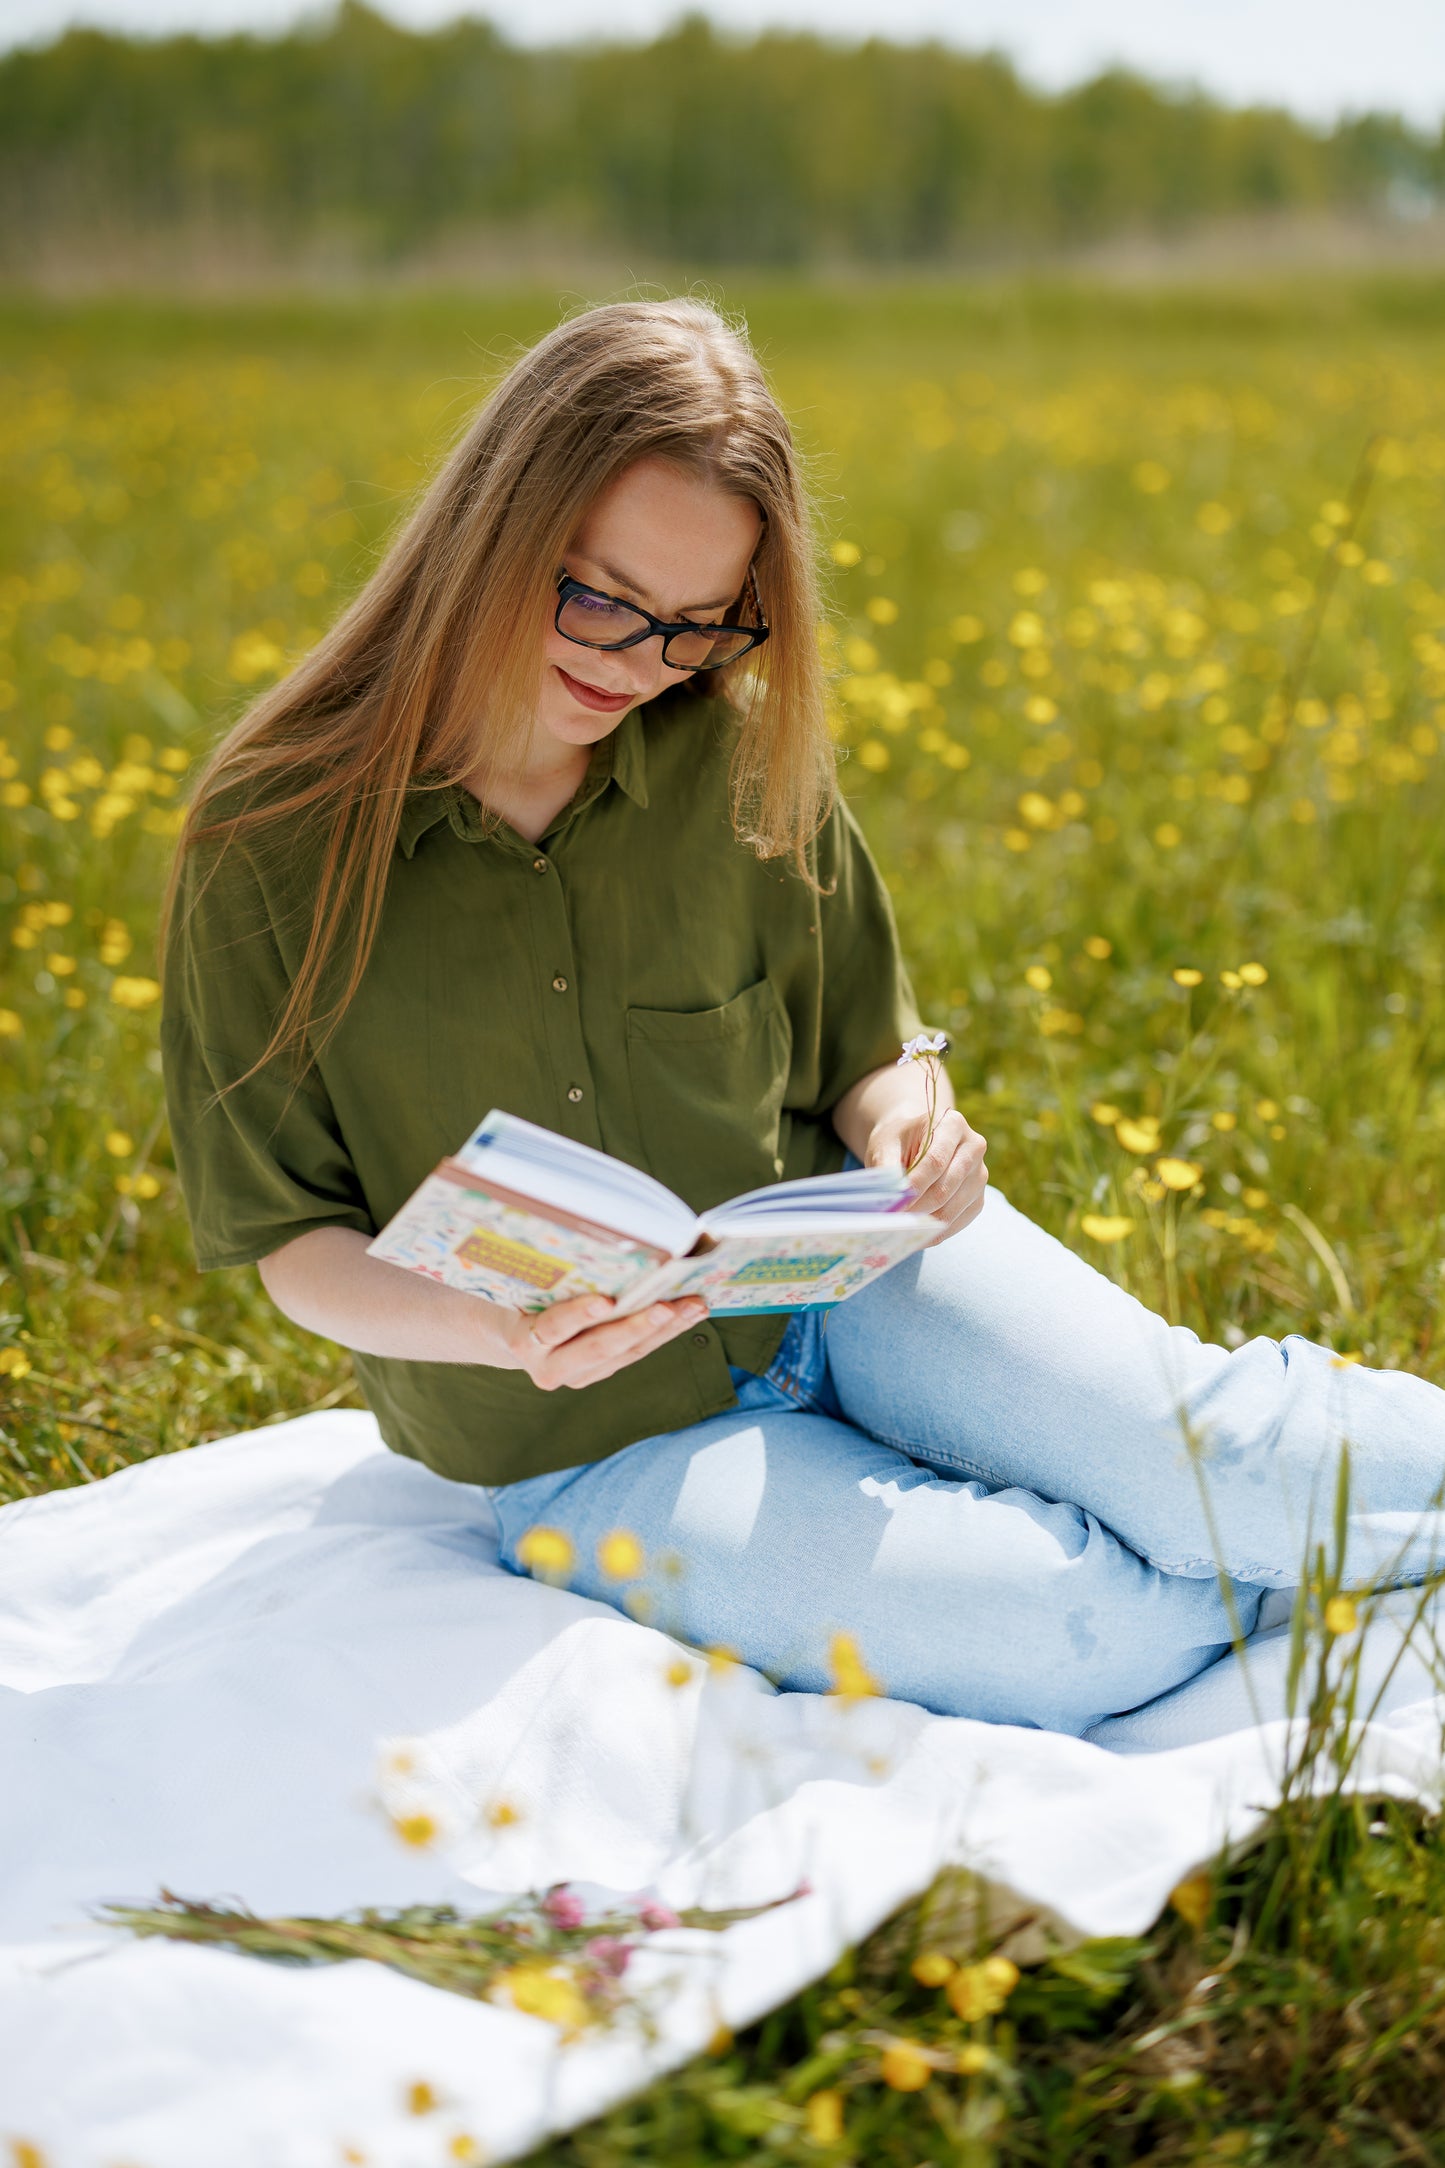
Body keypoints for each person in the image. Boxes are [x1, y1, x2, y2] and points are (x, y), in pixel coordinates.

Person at [162, 298, 1445, 1739]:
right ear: (493, 526)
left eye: (697, 626)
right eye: (596, 597)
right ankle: (1242, 1556)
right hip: (589, 1436)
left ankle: (1250, 1522)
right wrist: (498, 1330)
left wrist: (917, 1130)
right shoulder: (270, 841)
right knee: (1069, 1632)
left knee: (1231, 1469)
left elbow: (866, 1058)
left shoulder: (732, 758)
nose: (637, 664)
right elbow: (292, 1246)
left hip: (837, 1283)